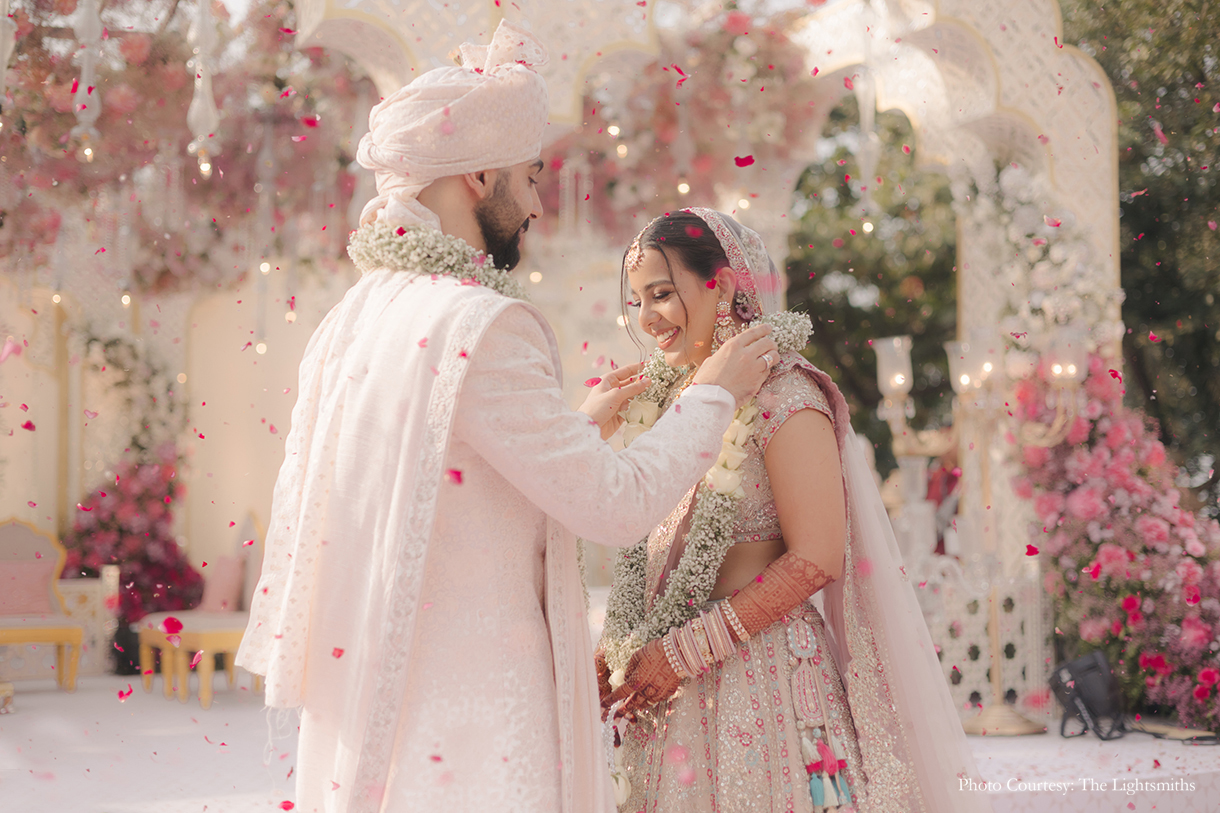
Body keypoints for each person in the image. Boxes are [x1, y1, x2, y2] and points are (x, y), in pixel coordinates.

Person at [234, 25, 779, 813]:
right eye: (527, 178)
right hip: (477, 716)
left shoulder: (355, 317)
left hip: (376, 699)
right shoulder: (484, 325)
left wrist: (577, 427)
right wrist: (714, 393)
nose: (534, 203)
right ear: (479, 174)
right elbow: (613, 504)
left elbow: (433, 482)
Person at [598, 209, 992, 812]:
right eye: (637, 301)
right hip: (665, 692)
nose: (647, 317)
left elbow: (815, 557)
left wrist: (686, 652)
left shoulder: (786, 392)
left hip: (761, 685)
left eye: (660, 294)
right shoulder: (669, 402)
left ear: (722, 286)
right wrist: (621, 645)